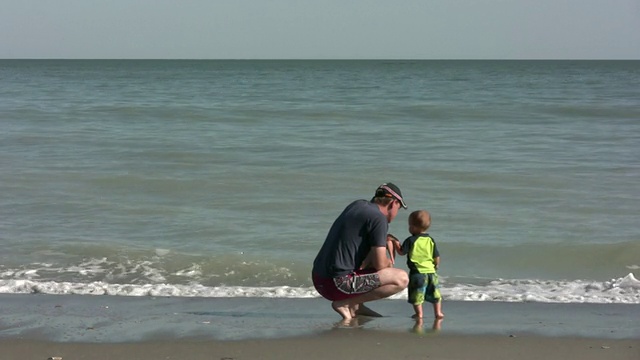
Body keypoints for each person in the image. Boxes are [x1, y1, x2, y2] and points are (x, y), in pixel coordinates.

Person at [312, 183, 410, 321]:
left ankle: (357, 305)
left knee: (367, 254)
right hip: (337, 284)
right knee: (401, 278)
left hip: (319, 279)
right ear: (393, 203)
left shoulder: (357, 205)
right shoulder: (379, 219)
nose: (396, 214)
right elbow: (380, 265)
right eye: (398, 209)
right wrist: (390, 262)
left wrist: (384, 239)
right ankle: (346, 303)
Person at [389, 210, 444, 319]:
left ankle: (419, 314)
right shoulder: (430, 240)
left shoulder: (411, 240)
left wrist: (395, 242)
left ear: (413, 227)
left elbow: (401, 252)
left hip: (417, 273)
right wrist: (436, 265)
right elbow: (436, 256)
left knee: (416, 294)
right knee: (435, 294)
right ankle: (438, 313)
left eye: (409, 225)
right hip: (431, 273)